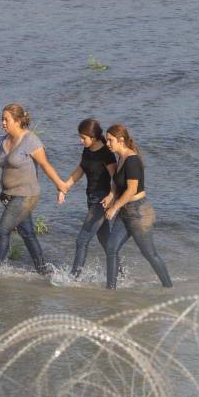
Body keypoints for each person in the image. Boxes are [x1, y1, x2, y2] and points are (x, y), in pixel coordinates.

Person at [0, 104, 67, 277]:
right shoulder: (4, 141)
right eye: (2, 119)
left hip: (26, 195)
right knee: (27, 232)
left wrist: (60, 185)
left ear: (17, 121)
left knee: (2, 229)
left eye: (6, 119)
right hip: (9, 195)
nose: (3, 122)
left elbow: (45, 165)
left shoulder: (31, 141)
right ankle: (43, 269)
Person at [102, 124, 173, 288]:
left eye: (110, 140)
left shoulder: (132, 160)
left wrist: (114, 207)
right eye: (106, 140)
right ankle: (110, 290)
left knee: (149, 254)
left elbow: (131, 190)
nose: (107, 143)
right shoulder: (121, 158)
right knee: (111, 247)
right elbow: (117, 184)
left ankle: (169, 288)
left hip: (139, 213)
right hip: (125, 211)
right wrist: (111, 196)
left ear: (121, 140)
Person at [61, 118, 129, 284]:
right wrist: (65, 187)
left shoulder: (106, 154)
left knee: (82, 240)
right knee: (106, 242)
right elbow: (80, 170)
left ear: (93, 137)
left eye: (83, 137)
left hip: (102, 201)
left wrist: (111, 197)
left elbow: (116, 178)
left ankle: (72, 278)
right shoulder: (87, 150)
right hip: (91, 199)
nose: (80, 140)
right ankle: (121, 276)